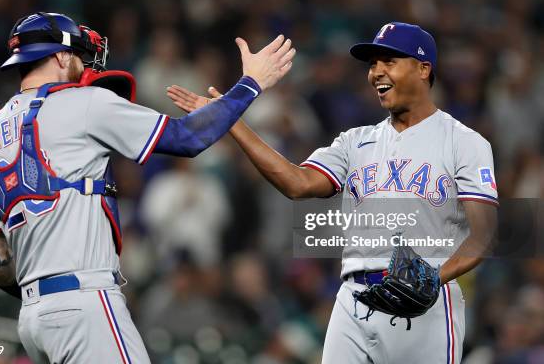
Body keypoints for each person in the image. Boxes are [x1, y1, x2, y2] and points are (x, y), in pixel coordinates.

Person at [0, 12, 295, 363]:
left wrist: (45, 298)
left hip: (32, 319)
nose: (83, 64)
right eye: (78, 55)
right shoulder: (83, 103)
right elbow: (187, 137)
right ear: (61, 56)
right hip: (85, 302)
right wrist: (250, 84)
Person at [168, 22, 498, 363]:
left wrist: (432, 279)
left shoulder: (464, 142)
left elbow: (484, 235)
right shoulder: (355, 141)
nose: (376, 73)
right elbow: (297, 183)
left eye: (389, 61)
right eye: (373, 64)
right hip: (353, 298)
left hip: (422, 304)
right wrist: (231, 121)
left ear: (423, 68)